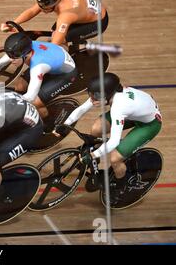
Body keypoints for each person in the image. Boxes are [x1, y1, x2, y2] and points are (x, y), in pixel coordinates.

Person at [54, 73, 162, 203]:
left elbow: (114, 141)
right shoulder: (103, 93)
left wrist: (92, 155)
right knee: (96, 129)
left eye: (97, 96)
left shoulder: (119, 106)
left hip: (149, 125)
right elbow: (82, 109)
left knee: (115, 158)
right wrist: (65, 125)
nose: (93, 99)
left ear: (109, 94)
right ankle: (95, 168)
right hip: (134, 114)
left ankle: (121, 187)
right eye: (91, 94)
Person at [0, 28, 77, 128]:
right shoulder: (22, 49)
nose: (11, 61)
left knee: (36, 102)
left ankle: (48, 125)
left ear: (25, 55)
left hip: (66, 75)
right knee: (20, 86)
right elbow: (0, 63)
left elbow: (30, 96)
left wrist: (6, 98)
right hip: (53, 62)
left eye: (15, 59)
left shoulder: (38, 66)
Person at [0, 0, 109, 48]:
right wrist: (14, 23)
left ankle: (67, 69)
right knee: (54, 31)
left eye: (45, 7)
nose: (42, 10)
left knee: (58, 40)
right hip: (84, 13)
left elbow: (54, 45)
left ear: (55, 3)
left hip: (97, 23)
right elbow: (33, 10)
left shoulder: (66, 15)